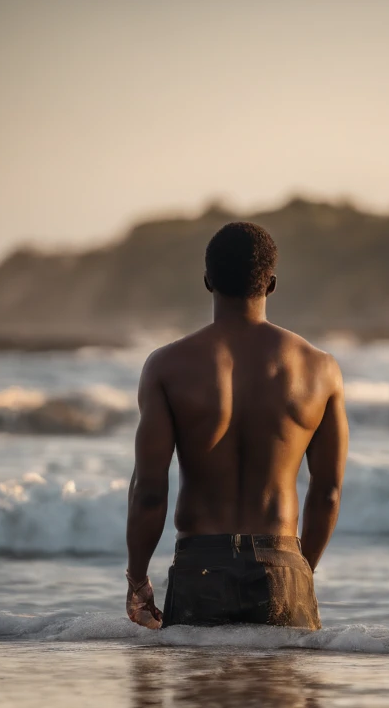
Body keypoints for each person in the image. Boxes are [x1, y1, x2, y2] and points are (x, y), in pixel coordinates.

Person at [125, 221, 348, 630]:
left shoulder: (167, 366)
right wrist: (301, 572)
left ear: (208, 281)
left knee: (202, 693)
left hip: (200, 567)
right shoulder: (320, 369)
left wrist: (137, 579)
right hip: (281, 563)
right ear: (272, 283)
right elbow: (328, 493)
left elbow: (149, 492)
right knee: (284, 693)